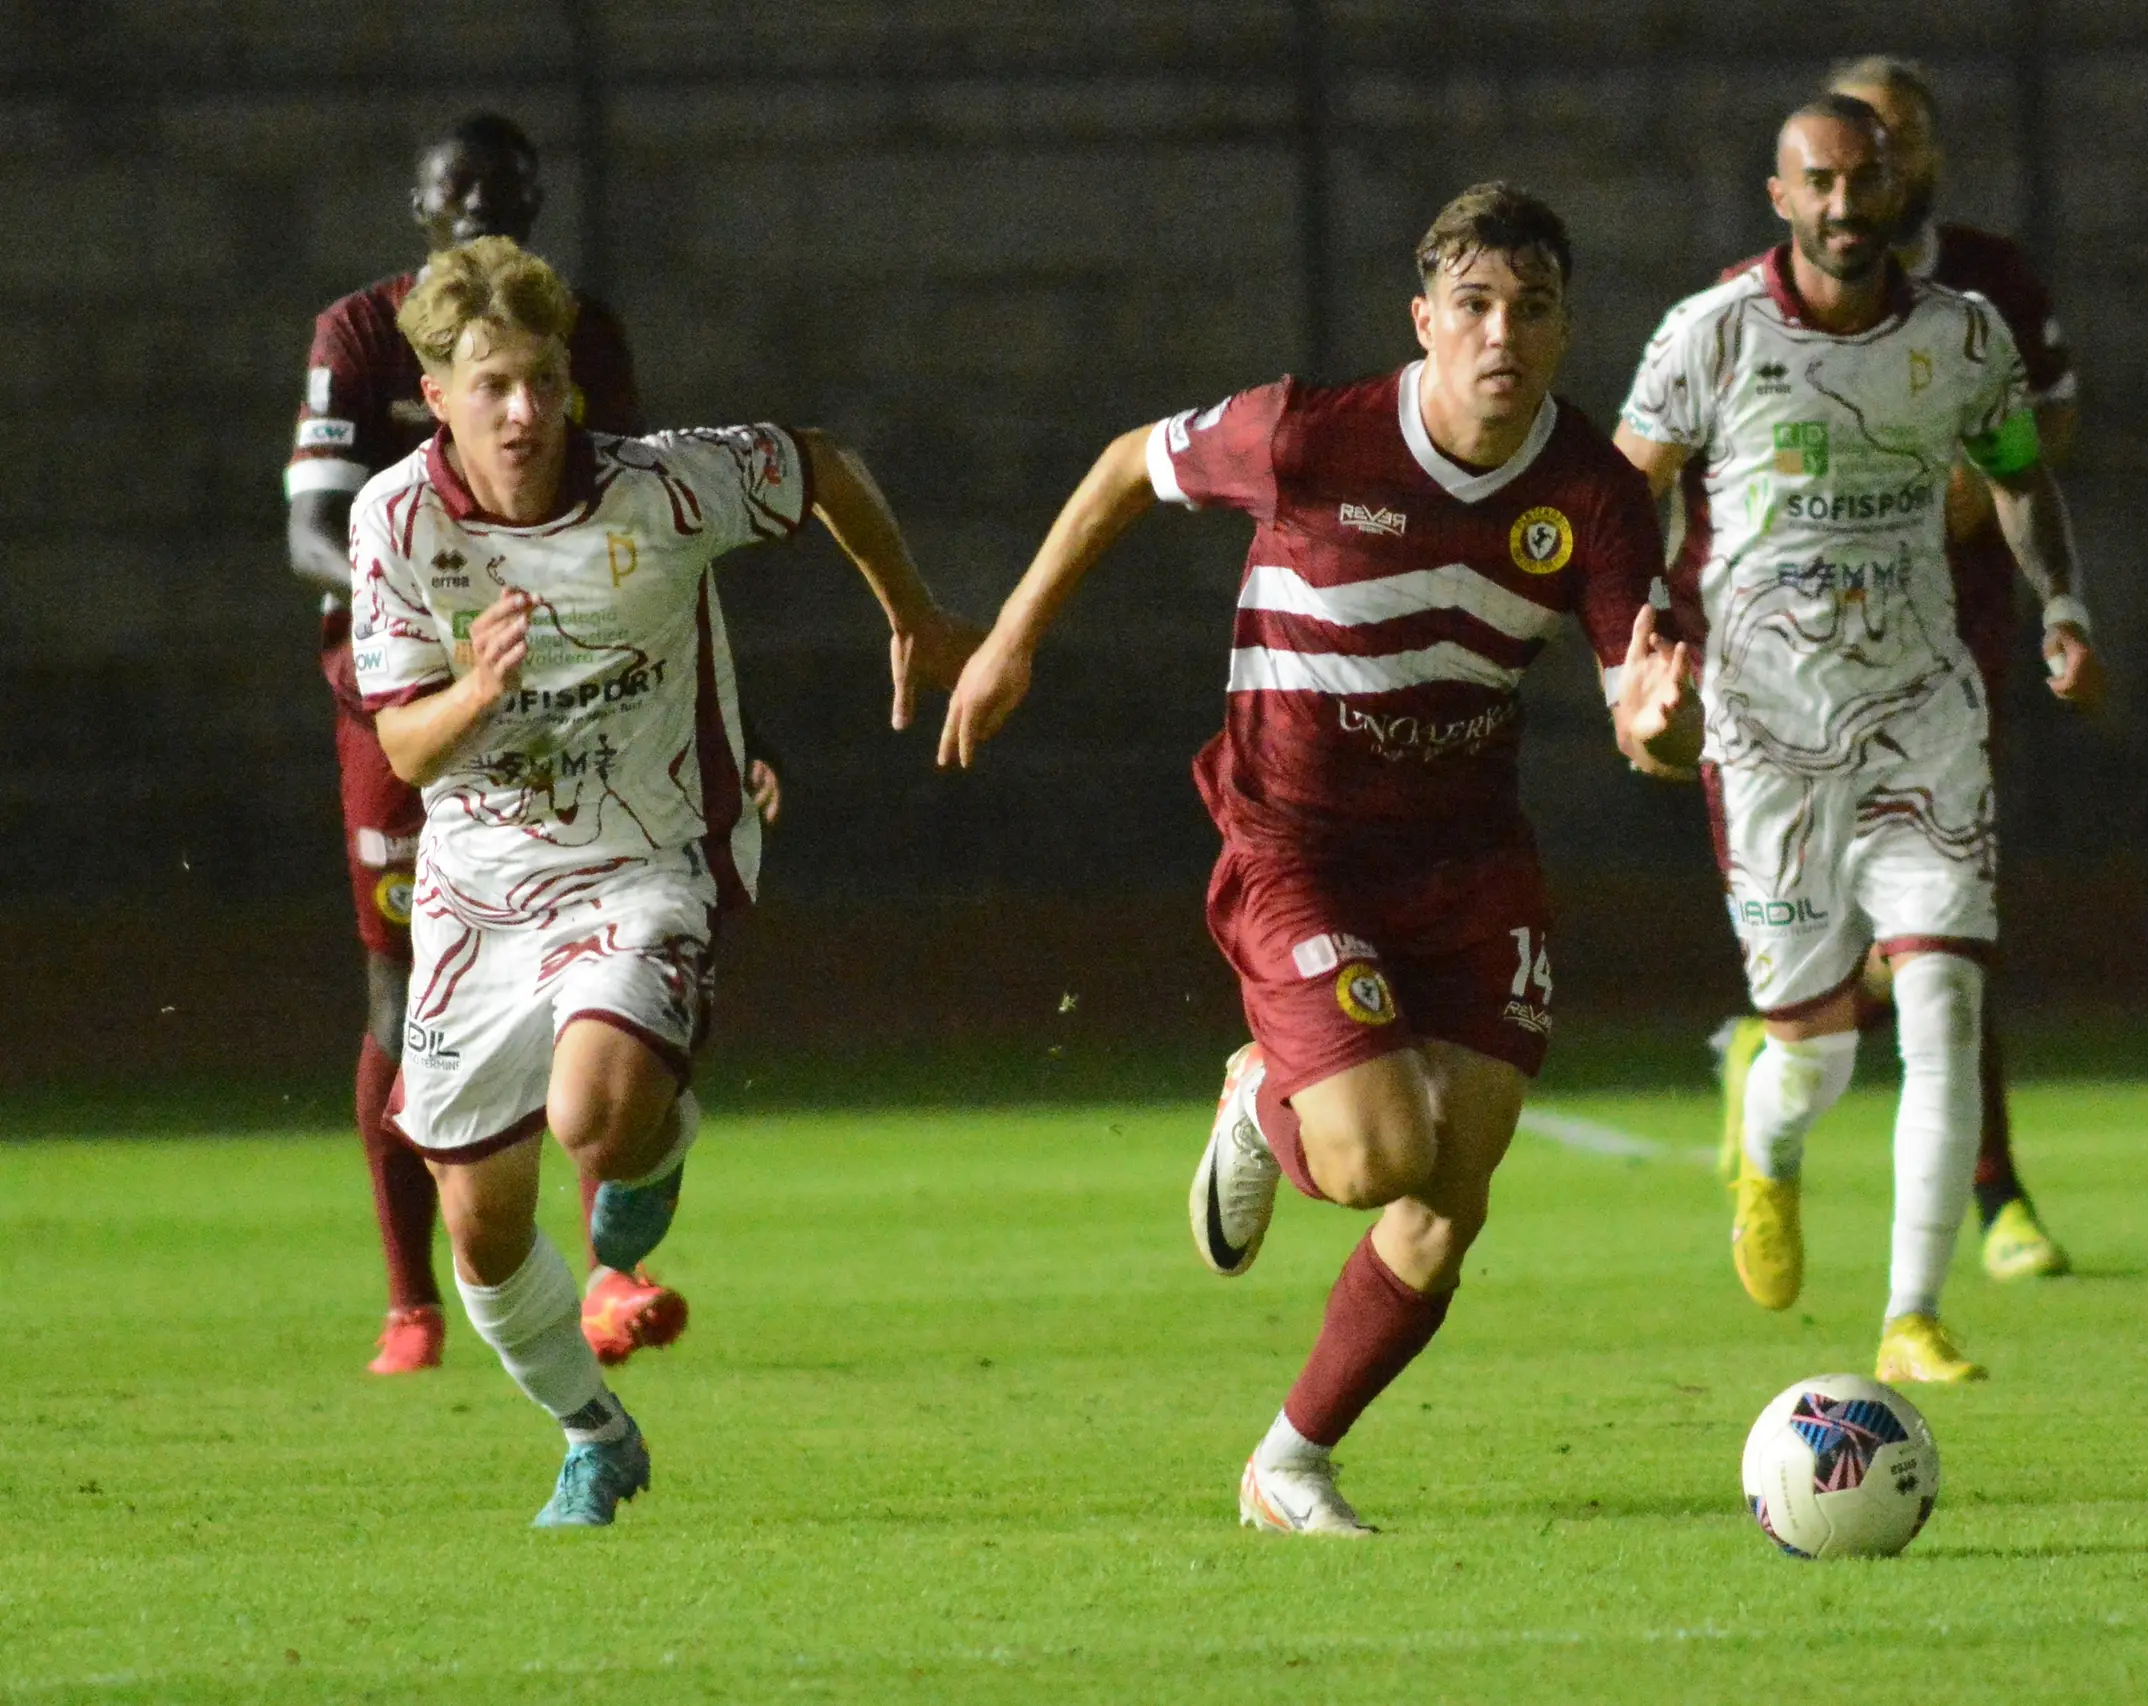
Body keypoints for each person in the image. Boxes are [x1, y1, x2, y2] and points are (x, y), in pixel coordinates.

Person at [940, 184, 1667, 1534]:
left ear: (1567, 329)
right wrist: (1011, 636)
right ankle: (1266, 1088)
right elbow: (1119, 468)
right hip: (1299, 841)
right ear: (1424, 320)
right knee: (1385, 1153)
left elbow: (1646, 701)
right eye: (1475, 306)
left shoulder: (1596, 495)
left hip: (1467, 848)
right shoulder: (1310, 433)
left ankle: (1289, 1463)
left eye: (1534, 308)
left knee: (1461, 1181)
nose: (1502, 333)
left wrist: (1664, 728)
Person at [349, 235, 972, 1523]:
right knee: (480, 1222)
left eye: (540, 380)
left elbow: (818, 463)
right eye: (491, 387)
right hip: (479, 889)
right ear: (439, 398)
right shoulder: (394, 520)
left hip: (647, 854)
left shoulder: (665, 486)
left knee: (598, 1110)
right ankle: (594, 1431)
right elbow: (402, 741)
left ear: (568, 381)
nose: (522, 412)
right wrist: (475, 685)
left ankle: (655, 1133)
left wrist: (908, 609)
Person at [1611, 97, 2105, 1383]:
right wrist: (1633, 662)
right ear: (1779, 196)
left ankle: (1910, 1312)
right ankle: (1766, 1147)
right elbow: (1620, 496)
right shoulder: (1708, 336)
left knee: (1943, 992)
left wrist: (2060, 604)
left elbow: (2014, 470)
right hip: (1765, 736)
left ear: (1894, 190)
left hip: (1922, 722)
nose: (1843, 204)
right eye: (1817, 182)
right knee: (1816, 1052)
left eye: (1862, 179)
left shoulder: (1960, 335)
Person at [286, 113, 775, 1375]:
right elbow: (308, 533)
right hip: (401, 695)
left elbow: (642, 544)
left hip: (561, 692)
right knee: (400, 993)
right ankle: (413, 1300)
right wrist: (444, 609)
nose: (480, 215)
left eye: (504, 196)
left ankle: (611, 1259)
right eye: (457, 195)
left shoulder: (579, 330)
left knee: (599, 1040)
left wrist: (722, 734)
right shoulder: (357, 332)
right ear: (416, 204)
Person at [1810, 53, 2085, 1279]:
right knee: (1864, 918)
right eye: (1860, 132)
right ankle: (1792, 1035)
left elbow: (2050, 424)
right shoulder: (1769, 302)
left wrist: (1991, 508)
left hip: (1951, 642)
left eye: (1903, 133)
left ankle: (1998, 1194)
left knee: (1951, 911)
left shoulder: (1989, 284)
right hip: (1813, 649)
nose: (1882, 154)